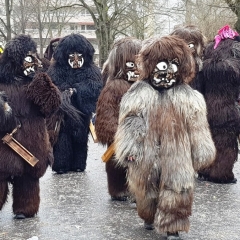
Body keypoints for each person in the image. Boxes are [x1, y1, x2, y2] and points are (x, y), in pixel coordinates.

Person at [113, 35, 216, 239]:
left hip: (178, 153)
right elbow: (131, 122)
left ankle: (173, 225)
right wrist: (130, 149)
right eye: (162, 64)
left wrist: (200, 151)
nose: (167, 70)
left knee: (178, 187)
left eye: (174, 64)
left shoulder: (189, 96)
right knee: (146, 189)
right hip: (147, 152)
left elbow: (197, 126)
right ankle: (148, 215)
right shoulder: (138, 93)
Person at [0, 34, 61, 219]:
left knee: (29, 178)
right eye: (28, 57)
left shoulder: (37, 81)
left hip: (32, 138)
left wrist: (40, 81)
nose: (32, 60)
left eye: (33, 56)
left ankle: (25, 208)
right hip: (5, 138)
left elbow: (51, 106)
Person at [47, 33, 102, 174]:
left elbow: (95, 88)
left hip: (82, 114)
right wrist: (64, 92)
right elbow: (51, 87)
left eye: (79, 55)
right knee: (62, 138)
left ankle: (78, 164)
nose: (76, 60)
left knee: (80, 138)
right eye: (72, 56)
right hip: (62, 115)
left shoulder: (91, 70)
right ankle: (61, 164)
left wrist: (77, 90)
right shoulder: (56, 70)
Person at [95, 37, 142, 201]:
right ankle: (118, 189)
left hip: (140, 136)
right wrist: (116, 133)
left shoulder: (144, 86)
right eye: (131, 65)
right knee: (117, 164)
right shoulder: (114, 87)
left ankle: (137, 189)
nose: (136, 69)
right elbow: (106, 112)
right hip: (120, 136)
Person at [194, 25, 240, 184]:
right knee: (226, 141)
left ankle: (205, 169)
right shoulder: (236, 52)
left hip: (207, 105)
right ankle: (221, 173)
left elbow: (198, 82)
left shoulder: (208, 51)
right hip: (228, 106)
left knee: (209, 137)